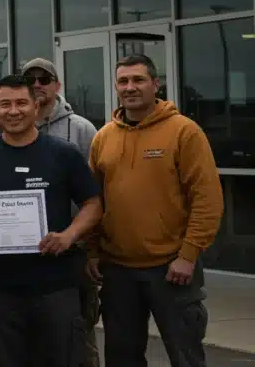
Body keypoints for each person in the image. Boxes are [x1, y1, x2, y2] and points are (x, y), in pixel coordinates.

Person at [0, 75, 102, 367]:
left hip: (57, 286)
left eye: (21, 103)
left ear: (36, 106)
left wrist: (69, 236)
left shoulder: (63, 154)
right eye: (5, 104)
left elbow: (93, 204)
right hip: (1, 289)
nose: (13, 111)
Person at [89, 54, 223, 367]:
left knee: (185, 356)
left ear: (155, 84)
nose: (130, 87)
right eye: (123, 81)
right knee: (122, 358)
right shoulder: (103, 137)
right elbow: (94, 201)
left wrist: (188, 255)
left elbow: (207, 198)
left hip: (172, 269)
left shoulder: (183, 132)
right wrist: (93, 251)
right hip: (117, 270)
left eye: (138, 80)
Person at [20, 58, 99, 367]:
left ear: (57, 85)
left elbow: (94, 195)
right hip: (26, 255)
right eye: (31, 79)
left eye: (44, 78)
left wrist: (91, 247)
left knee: (79, 338)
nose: (38, 84)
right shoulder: (13, 127)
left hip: (73, 251)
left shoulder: (81, 129)